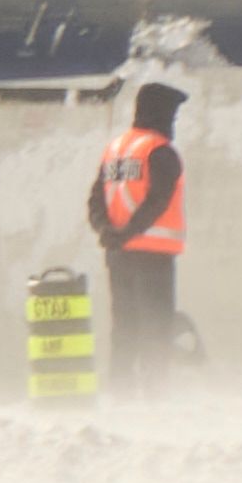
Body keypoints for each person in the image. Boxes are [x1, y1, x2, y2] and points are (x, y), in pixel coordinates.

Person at [84, 81, 188, 393]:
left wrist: (107, 232)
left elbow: (95, 200)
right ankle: (156, 391)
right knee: (156, 324)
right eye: (172, 113)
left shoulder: (116, 150)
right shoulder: (159, 151)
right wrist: (129, 232)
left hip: (118, 254)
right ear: (162, 112)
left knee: (124, 323)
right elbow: (158, 201)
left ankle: (121, 389)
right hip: (152, 253)